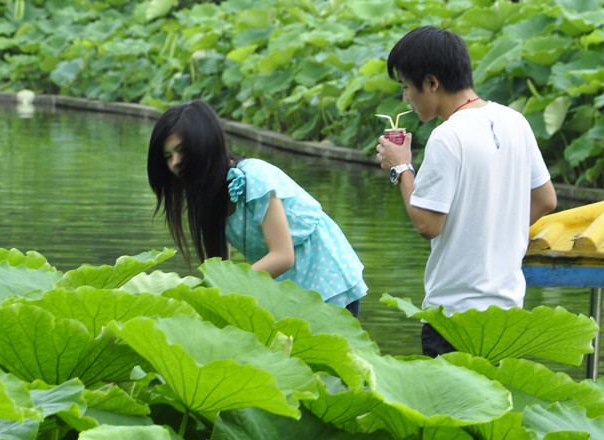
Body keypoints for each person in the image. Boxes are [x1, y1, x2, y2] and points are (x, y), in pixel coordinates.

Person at [375, 26, 558, 356]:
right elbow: (546, 199)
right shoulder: (514, 121)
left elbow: (428, 225)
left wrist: (402, 167)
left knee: (450, 407)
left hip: (454, 316)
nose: (406, 97)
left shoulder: (447, 136)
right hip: (508, 313)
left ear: (432, 83)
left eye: (406, 87)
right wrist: (495, 232)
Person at [147, 101, 368, 315]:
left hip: (328, 279)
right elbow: (219, 270)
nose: (175, 162)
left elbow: (282, 256)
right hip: (288, 291)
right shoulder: (206, 200)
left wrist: (230, 287)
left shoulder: (255, 178)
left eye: (181, 150)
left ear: (205, 144)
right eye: (168, 156)